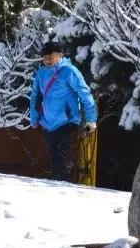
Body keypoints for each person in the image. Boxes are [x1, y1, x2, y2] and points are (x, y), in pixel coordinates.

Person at [29, 40, 98, 182]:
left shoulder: (69, 71)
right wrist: (34, 117)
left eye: (51, 56)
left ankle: (62, 182)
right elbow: (36, 95)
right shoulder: (41, 72)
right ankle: (58, 181)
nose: (48, 60)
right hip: (48, 121)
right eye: (45, 57)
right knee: (53, 153)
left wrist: (91, 119)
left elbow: (85, 93)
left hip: (68, 120)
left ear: (60, 55)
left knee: (60, 150)